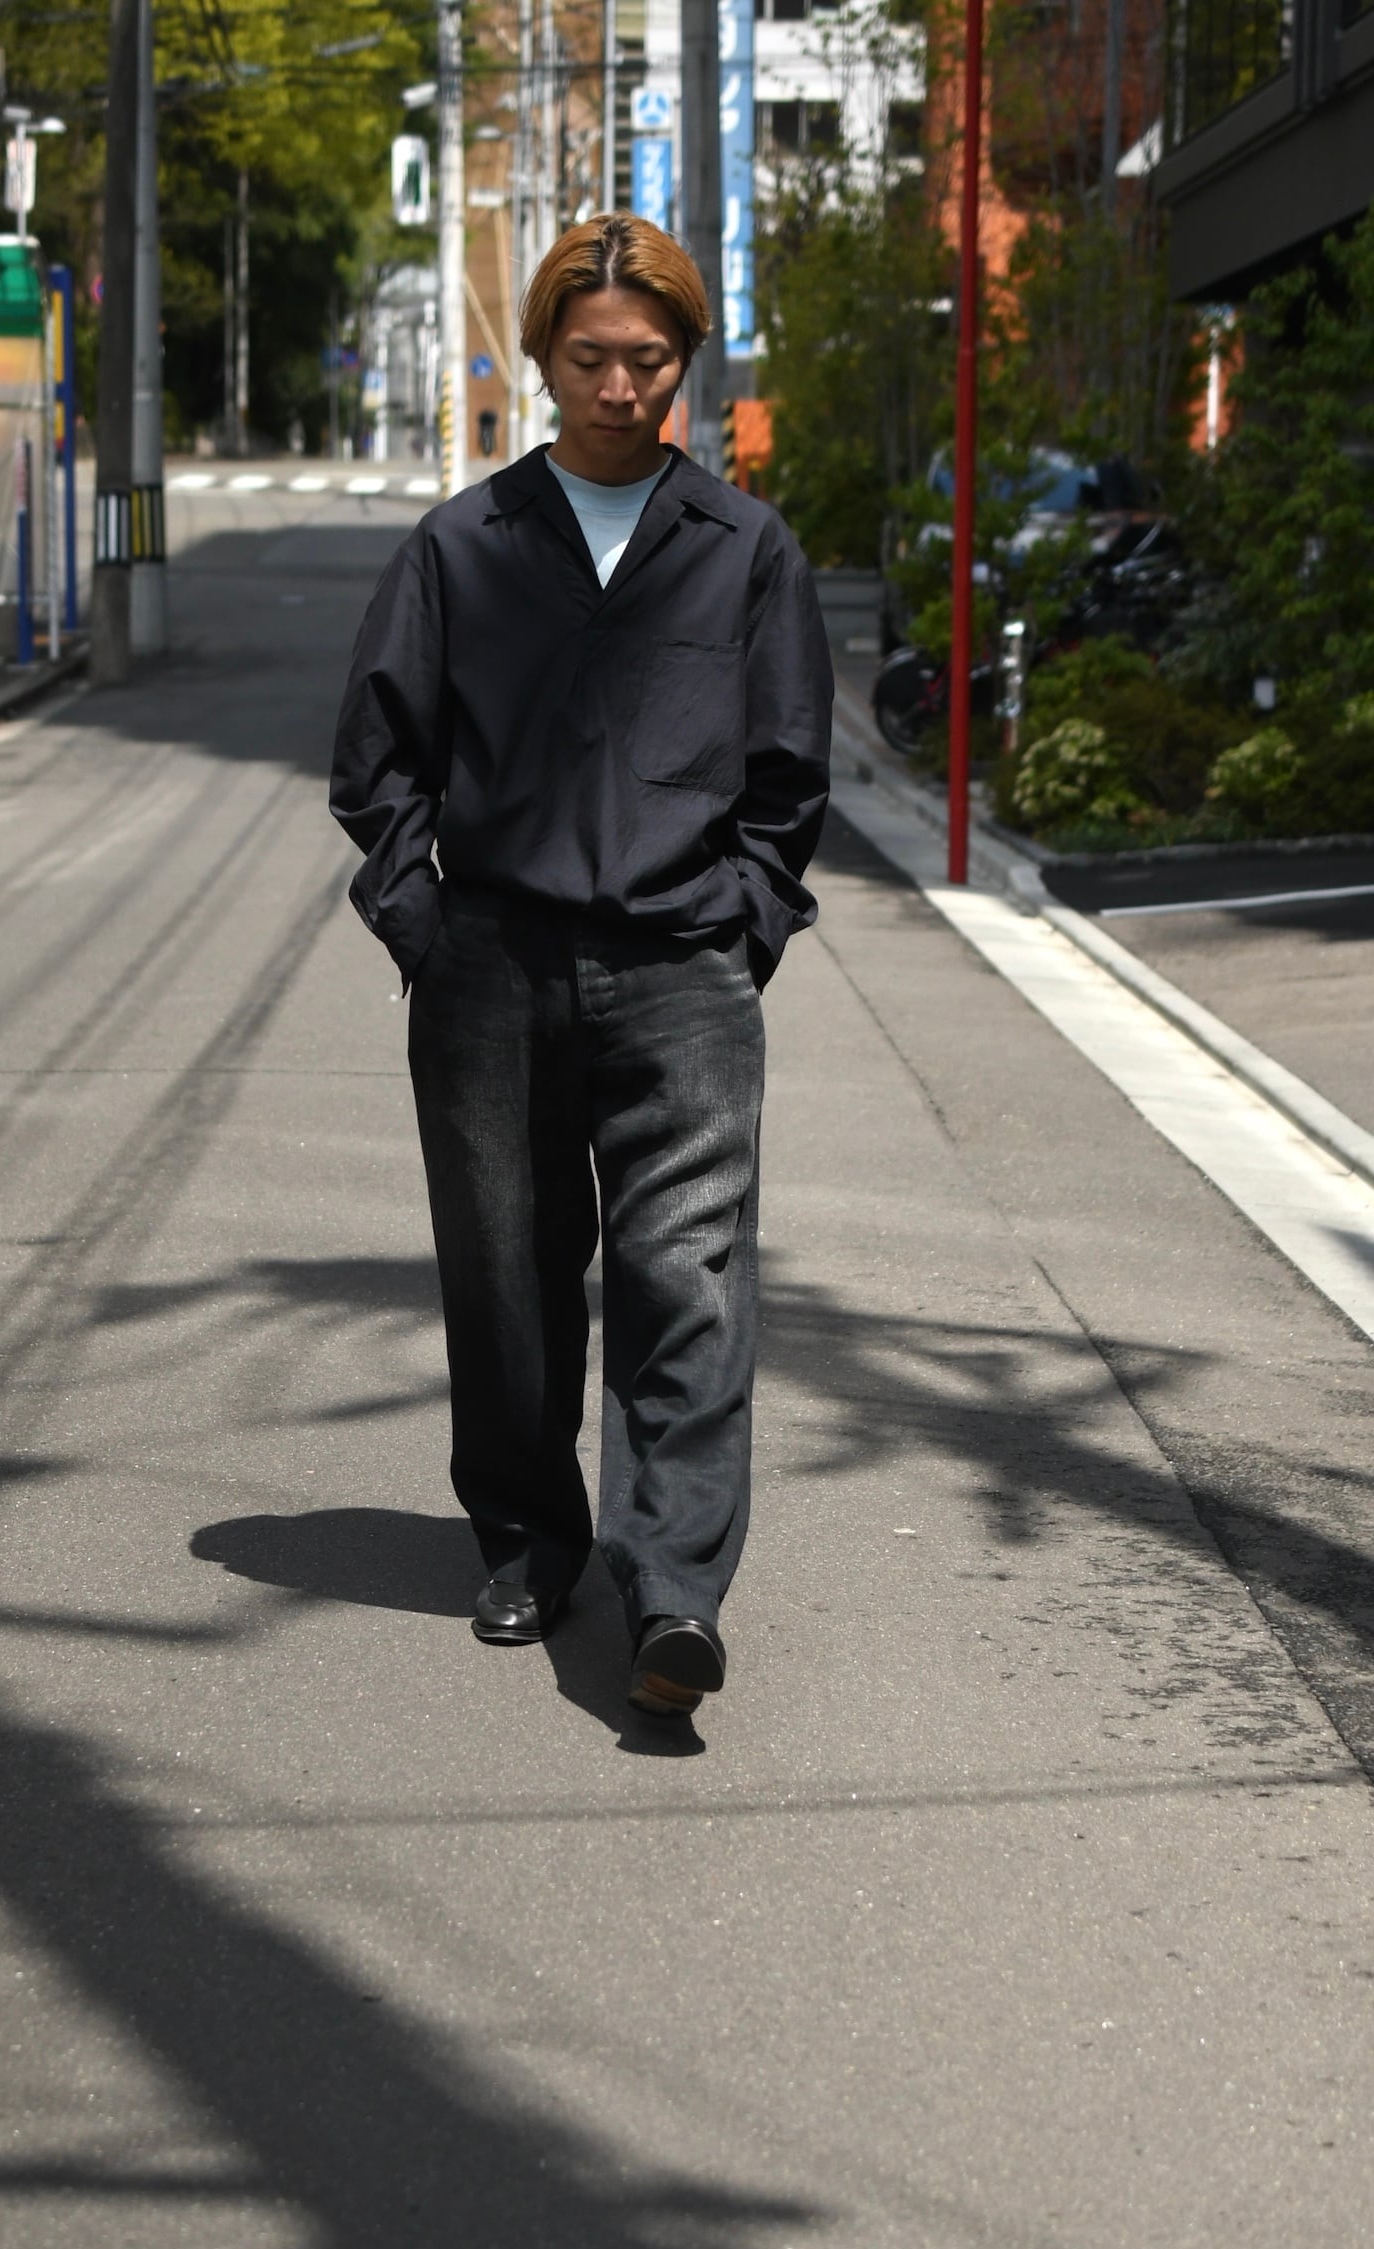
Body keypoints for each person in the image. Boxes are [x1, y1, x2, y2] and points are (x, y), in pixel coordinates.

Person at [329, 215, 833, 1718]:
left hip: (684, 971)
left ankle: (674, 1590)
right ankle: (531, 1538)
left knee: (691, 1279)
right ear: (544, 357)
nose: (622, 388)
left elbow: (789, 773)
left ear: (686, 363)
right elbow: (377, 759)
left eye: (651, 361)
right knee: (505, 1274)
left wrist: (744, 923)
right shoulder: (462, 547)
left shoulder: (743, 551)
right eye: (594, 357)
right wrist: (424, 926)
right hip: (490, 966)